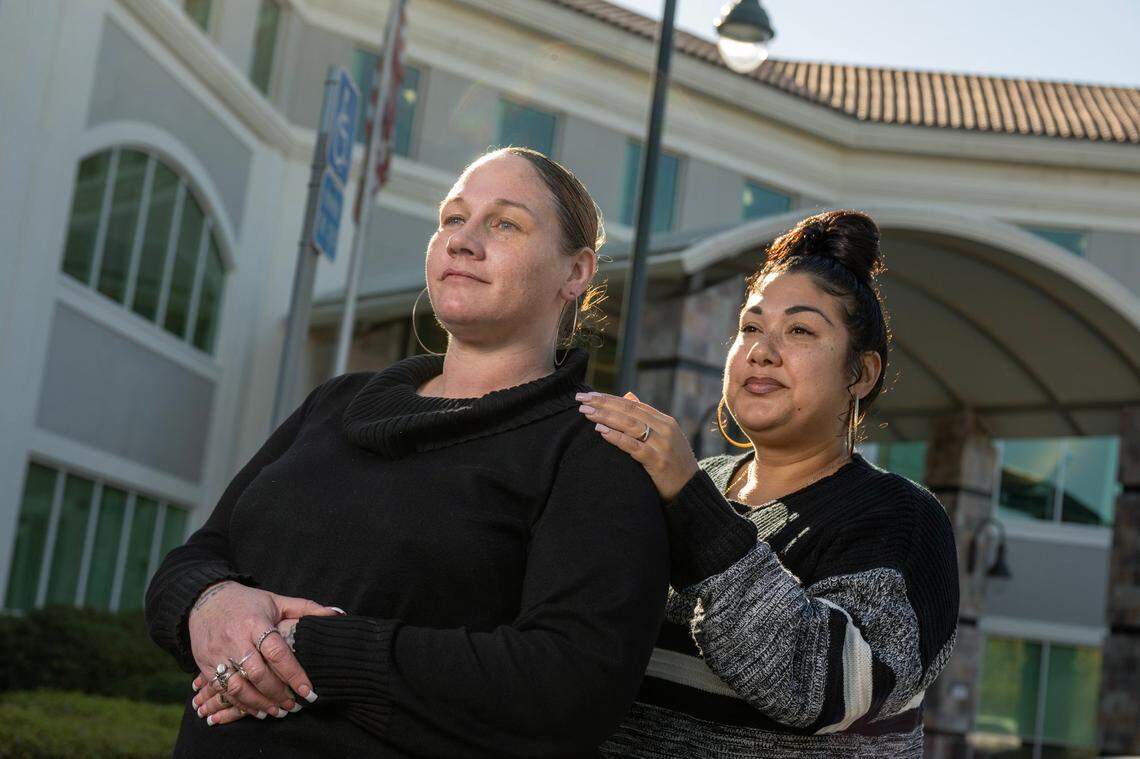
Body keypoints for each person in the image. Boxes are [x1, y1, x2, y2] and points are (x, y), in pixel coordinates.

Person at [144, 147, 670, 758]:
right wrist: (209, 605)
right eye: (452, 218)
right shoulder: (336, 405)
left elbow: (569, 686)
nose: (463, 241)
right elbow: (197, 557)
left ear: (575, 272)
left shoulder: (592, 449)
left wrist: (305, 652)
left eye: (505, 223)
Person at [578, 210, 959, 757]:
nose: (761, 349)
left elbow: (821, 689)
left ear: (862, 373)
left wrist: (691, 504)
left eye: (800, 330)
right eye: (750, 327)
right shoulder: (691, 484)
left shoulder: (901, 518)